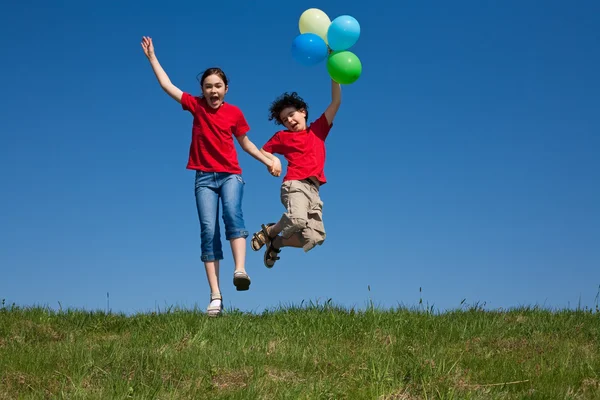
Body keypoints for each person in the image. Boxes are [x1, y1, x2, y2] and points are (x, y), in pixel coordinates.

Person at [141, 36, 281, 316]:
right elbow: (168, 86)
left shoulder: (234, 113)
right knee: (208, 230)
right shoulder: (196, 106)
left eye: (218, 86)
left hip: (230, 175)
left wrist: (268, 159)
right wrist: (153, 58)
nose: (213, 91)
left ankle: (239, 270)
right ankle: (216, 296)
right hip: (204, 178)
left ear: (226, 89)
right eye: (208, 87)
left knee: (232, 214)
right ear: (202, 90)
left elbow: (246, 143)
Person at [250, 79, 341, 268]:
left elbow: (336, 102)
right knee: (297, 219)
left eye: (291, 115)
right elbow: (263, 150)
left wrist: (334, 76)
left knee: (314, 237)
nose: (290, 121)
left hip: (314, 191)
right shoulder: (283, 137)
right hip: (295, 184)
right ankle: (270, 230)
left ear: (303, 112)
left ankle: (277, 242)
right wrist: (273, 160)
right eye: (285, 120)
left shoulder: (318, 130)